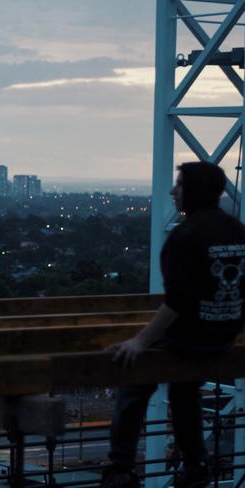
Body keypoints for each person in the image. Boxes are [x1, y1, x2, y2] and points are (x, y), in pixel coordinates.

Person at [101, 162, 245, 488]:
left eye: (179, 185)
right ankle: (195, 463)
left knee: (134, 379)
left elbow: (177, 303)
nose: (172, 191)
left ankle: (121, 468)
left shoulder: (185, 236)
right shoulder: (238, 231)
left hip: (192, 338)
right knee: (185, 388)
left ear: (193, 191)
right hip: (224, 335)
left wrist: (139, 342)